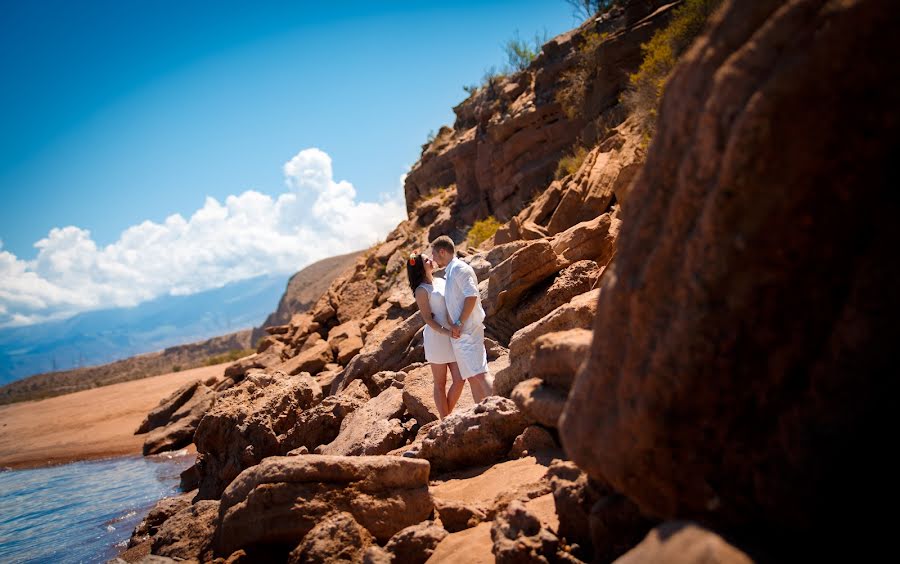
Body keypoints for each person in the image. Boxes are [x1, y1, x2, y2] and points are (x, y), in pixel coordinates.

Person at [430, 235, 493, 403]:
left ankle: (500, 408)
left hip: (468, 330)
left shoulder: (459, 269)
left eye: (434, 254)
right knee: (473, 377)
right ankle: (481, 413)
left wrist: (458, 323)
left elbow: (471, 296)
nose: (433, 259)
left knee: (480, 373)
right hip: (461, 333)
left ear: (442, 252)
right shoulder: (450, 272)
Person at [406, 252, 465, 418]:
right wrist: (447, 332)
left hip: (453, 334)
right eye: (426, 260)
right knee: (440, 383)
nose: (430, 260)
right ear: (420, 267)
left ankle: (446, 418)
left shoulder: (441, 281)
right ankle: (445, 421)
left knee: (460, 379)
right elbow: (428, 320)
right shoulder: (421, 291)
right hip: (437, 338)